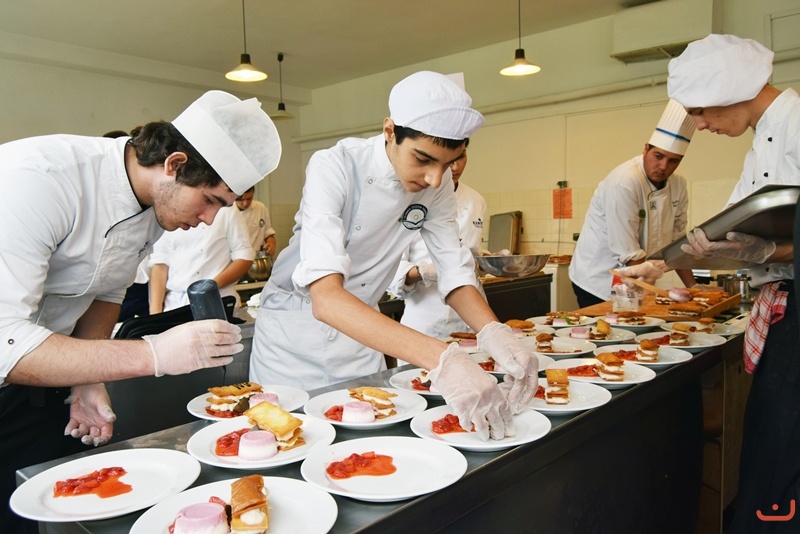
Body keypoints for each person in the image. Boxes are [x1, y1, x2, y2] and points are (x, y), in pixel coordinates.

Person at [0, 90, 281, 533]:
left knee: (55, 515)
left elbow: (106, 292)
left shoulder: (151, 208)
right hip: (12, 366)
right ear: (174, 164)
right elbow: (6, 343)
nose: (210, 219)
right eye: (210, 200)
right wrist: (154, 353)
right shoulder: (39, 180)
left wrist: (86, 379)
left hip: (42, 383)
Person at [250, 71, 538, 442]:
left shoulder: (437, 188)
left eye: (449, 163)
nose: (435, 178)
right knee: (286, 441)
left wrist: (495, 333)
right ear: (390, 131)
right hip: (292, 340)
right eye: (423, 159)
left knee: (369, 443)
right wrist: (444, 359)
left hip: (363, 336)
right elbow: (326, 300)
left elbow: (455, 272)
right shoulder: (335, 166)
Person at [666, 34, 799, 533]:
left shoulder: (797, 124)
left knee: (779, 456)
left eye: (700, 112)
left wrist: (764, 253)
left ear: (731, 90)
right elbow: (733, 224)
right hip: (784, 308)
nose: (700, 125)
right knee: (768, 446)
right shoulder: (762, 139)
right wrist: (666, 262)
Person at [569, 99, 698, 308]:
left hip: (638, 275)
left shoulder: (679, 185)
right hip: (599, 279)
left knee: (636, 322)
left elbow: (678, 243)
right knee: (613, 327)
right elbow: (628, 253)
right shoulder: (624, 182)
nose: (663, 166)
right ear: (645, 149)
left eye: (673, 161)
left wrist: (694, 288)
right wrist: (652, 298)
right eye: (658, 156)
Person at [388, 140, 488, 341]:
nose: (455, 167)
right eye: (449, 161)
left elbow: (468, 251)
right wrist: (426, 271)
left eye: (460, 157)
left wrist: (486, 262)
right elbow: (392, 271)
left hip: (471, 317)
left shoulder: (476, 200)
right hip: (426, 321)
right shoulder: (410, 198)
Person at [149, 205, 255, 311]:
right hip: (175, 304)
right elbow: (159, 264)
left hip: (218, 298)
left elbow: (244, 257)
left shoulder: (226, 209)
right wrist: (155, 310)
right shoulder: (167, 210)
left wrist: (208, 288)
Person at [236, 185, 277, 255]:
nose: (245, 203)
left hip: (257, 257)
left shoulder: (260, 207)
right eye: (241, 199)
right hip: (236, 258)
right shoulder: (227, 211)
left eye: (249, 199)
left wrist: (271, 244)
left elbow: (268, 234)